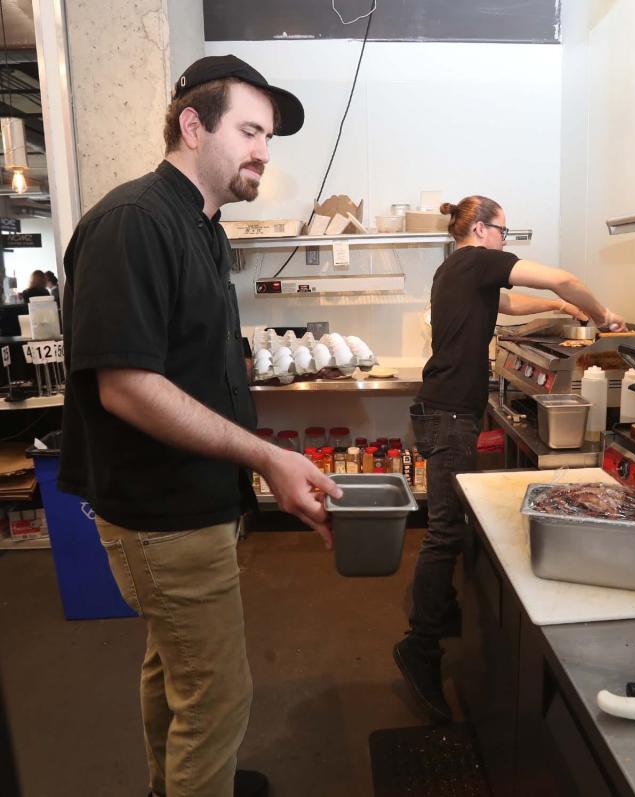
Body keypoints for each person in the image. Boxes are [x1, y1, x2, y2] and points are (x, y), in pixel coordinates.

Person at [60, 55, 341, 797]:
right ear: (193, 125)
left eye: (269, 137)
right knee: (218, 699)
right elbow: (126, 387)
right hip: (162, 512)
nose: (263, 152)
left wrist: (254, 466)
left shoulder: (203, 228)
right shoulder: (132, 223)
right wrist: (266, 457)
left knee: (174, 666)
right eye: (250, 131)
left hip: (195, 502)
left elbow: (193, 366)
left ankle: (167, 786)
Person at [393, 195, 625, 723]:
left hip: (443, 409)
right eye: (504, 231)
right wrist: (599, 312)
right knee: (446, 531)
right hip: (450, 414)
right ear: (480, 229)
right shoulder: (477, 259)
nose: (506, 240)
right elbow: (563, 277)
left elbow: (509, 305)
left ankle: (439, 610)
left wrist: (562, 310)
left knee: (448, 525)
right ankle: (419, 646)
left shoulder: (454, 268)